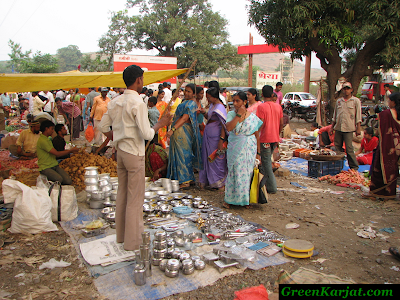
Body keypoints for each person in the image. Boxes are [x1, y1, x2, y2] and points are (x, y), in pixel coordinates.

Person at [99, 64, 172, 251]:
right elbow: (147, 134)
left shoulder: (116, 101)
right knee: (134, 199)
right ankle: (133, 242)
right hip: (134, 154)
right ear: (138, 80)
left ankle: (122, 237)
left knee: (122, 194)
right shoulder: (137, 102)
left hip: (121, 153)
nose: (143, 83)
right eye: (142, 79)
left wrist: (117, 136)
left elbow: (103, 127)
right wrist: (161, 124)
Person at [224, 91, 263, 208]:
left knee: (246, 173)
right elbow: (229, 127)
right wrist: (239, 115)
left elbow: (256, 135)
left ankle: (245, 200)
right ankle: (229, 199)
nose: (235, 103)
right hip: (235, 146)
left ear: (245, 102)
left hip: (248, 147)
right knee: (233, 172)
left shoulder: (252, 117)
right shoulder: (231, 114)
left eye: (238, 101)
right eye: (234, 101)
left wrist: (258, 153)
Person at [363, 93, 400, 200]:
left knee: (380, 166)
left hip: (388, 145)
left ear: (393, 102)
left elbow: (378, 132)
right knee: (392, 168)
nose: (388, 103)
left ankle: (379, 192)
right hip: (398, 145)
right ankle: (390, 192)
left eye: (389, 101)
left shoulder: (387, 114)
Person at [166, 83, 202, 189]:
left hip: (183, 131)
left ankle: (185, 180)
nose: (186, 93)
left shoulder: (191, 104)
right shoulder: (186, 102)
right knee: (181, 154)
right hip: (180, 130)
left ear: (194, 94)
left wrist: (173, 129)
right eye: (185, 90)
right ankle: (187, 178)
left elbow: (185, 118)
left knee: (183, 155)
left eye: (189, 91)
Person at [198, 87, 228, 190]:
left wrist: (221, 139)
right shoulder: (212, 105)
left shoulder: (220, 108)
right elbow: (209, 118)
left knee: (216, 158)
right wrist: (203, 113)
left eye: (209, 97)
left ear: (215, 97)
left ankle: (219, 182)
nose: (208, 99)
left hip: (216, 136)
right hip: (208, 134)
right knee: (207, 157)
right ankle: (208, 180)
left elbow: (224, 125)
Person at [256, 85, 283, 194]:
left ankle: (271, 187)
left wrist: (256, 134)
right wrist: (278, 134)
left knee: (266, 163)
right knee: (266, 162)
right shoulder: (278, 106)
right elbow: (281, 123)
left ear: (262, 94)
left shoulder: (262, 107)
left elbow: (260, 122)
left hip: (265, 138)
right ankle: (263, 184)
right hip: (274, 138)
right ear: (272, 94)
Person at [330, 82, 362, 170]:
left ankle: (354, 167)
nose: (346, 90)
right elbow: (335, 115)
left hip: (349, 128)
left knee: (349, 148)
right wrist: (332, 127)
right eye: (344, 88)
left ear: (351, 90)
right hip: (339, 127)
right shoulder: (339, 101)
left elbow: (358, 116)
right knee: (337, 148)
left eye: (348, 88)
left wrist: (358, 127)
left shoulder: (355, 101)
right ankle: (337, 165)